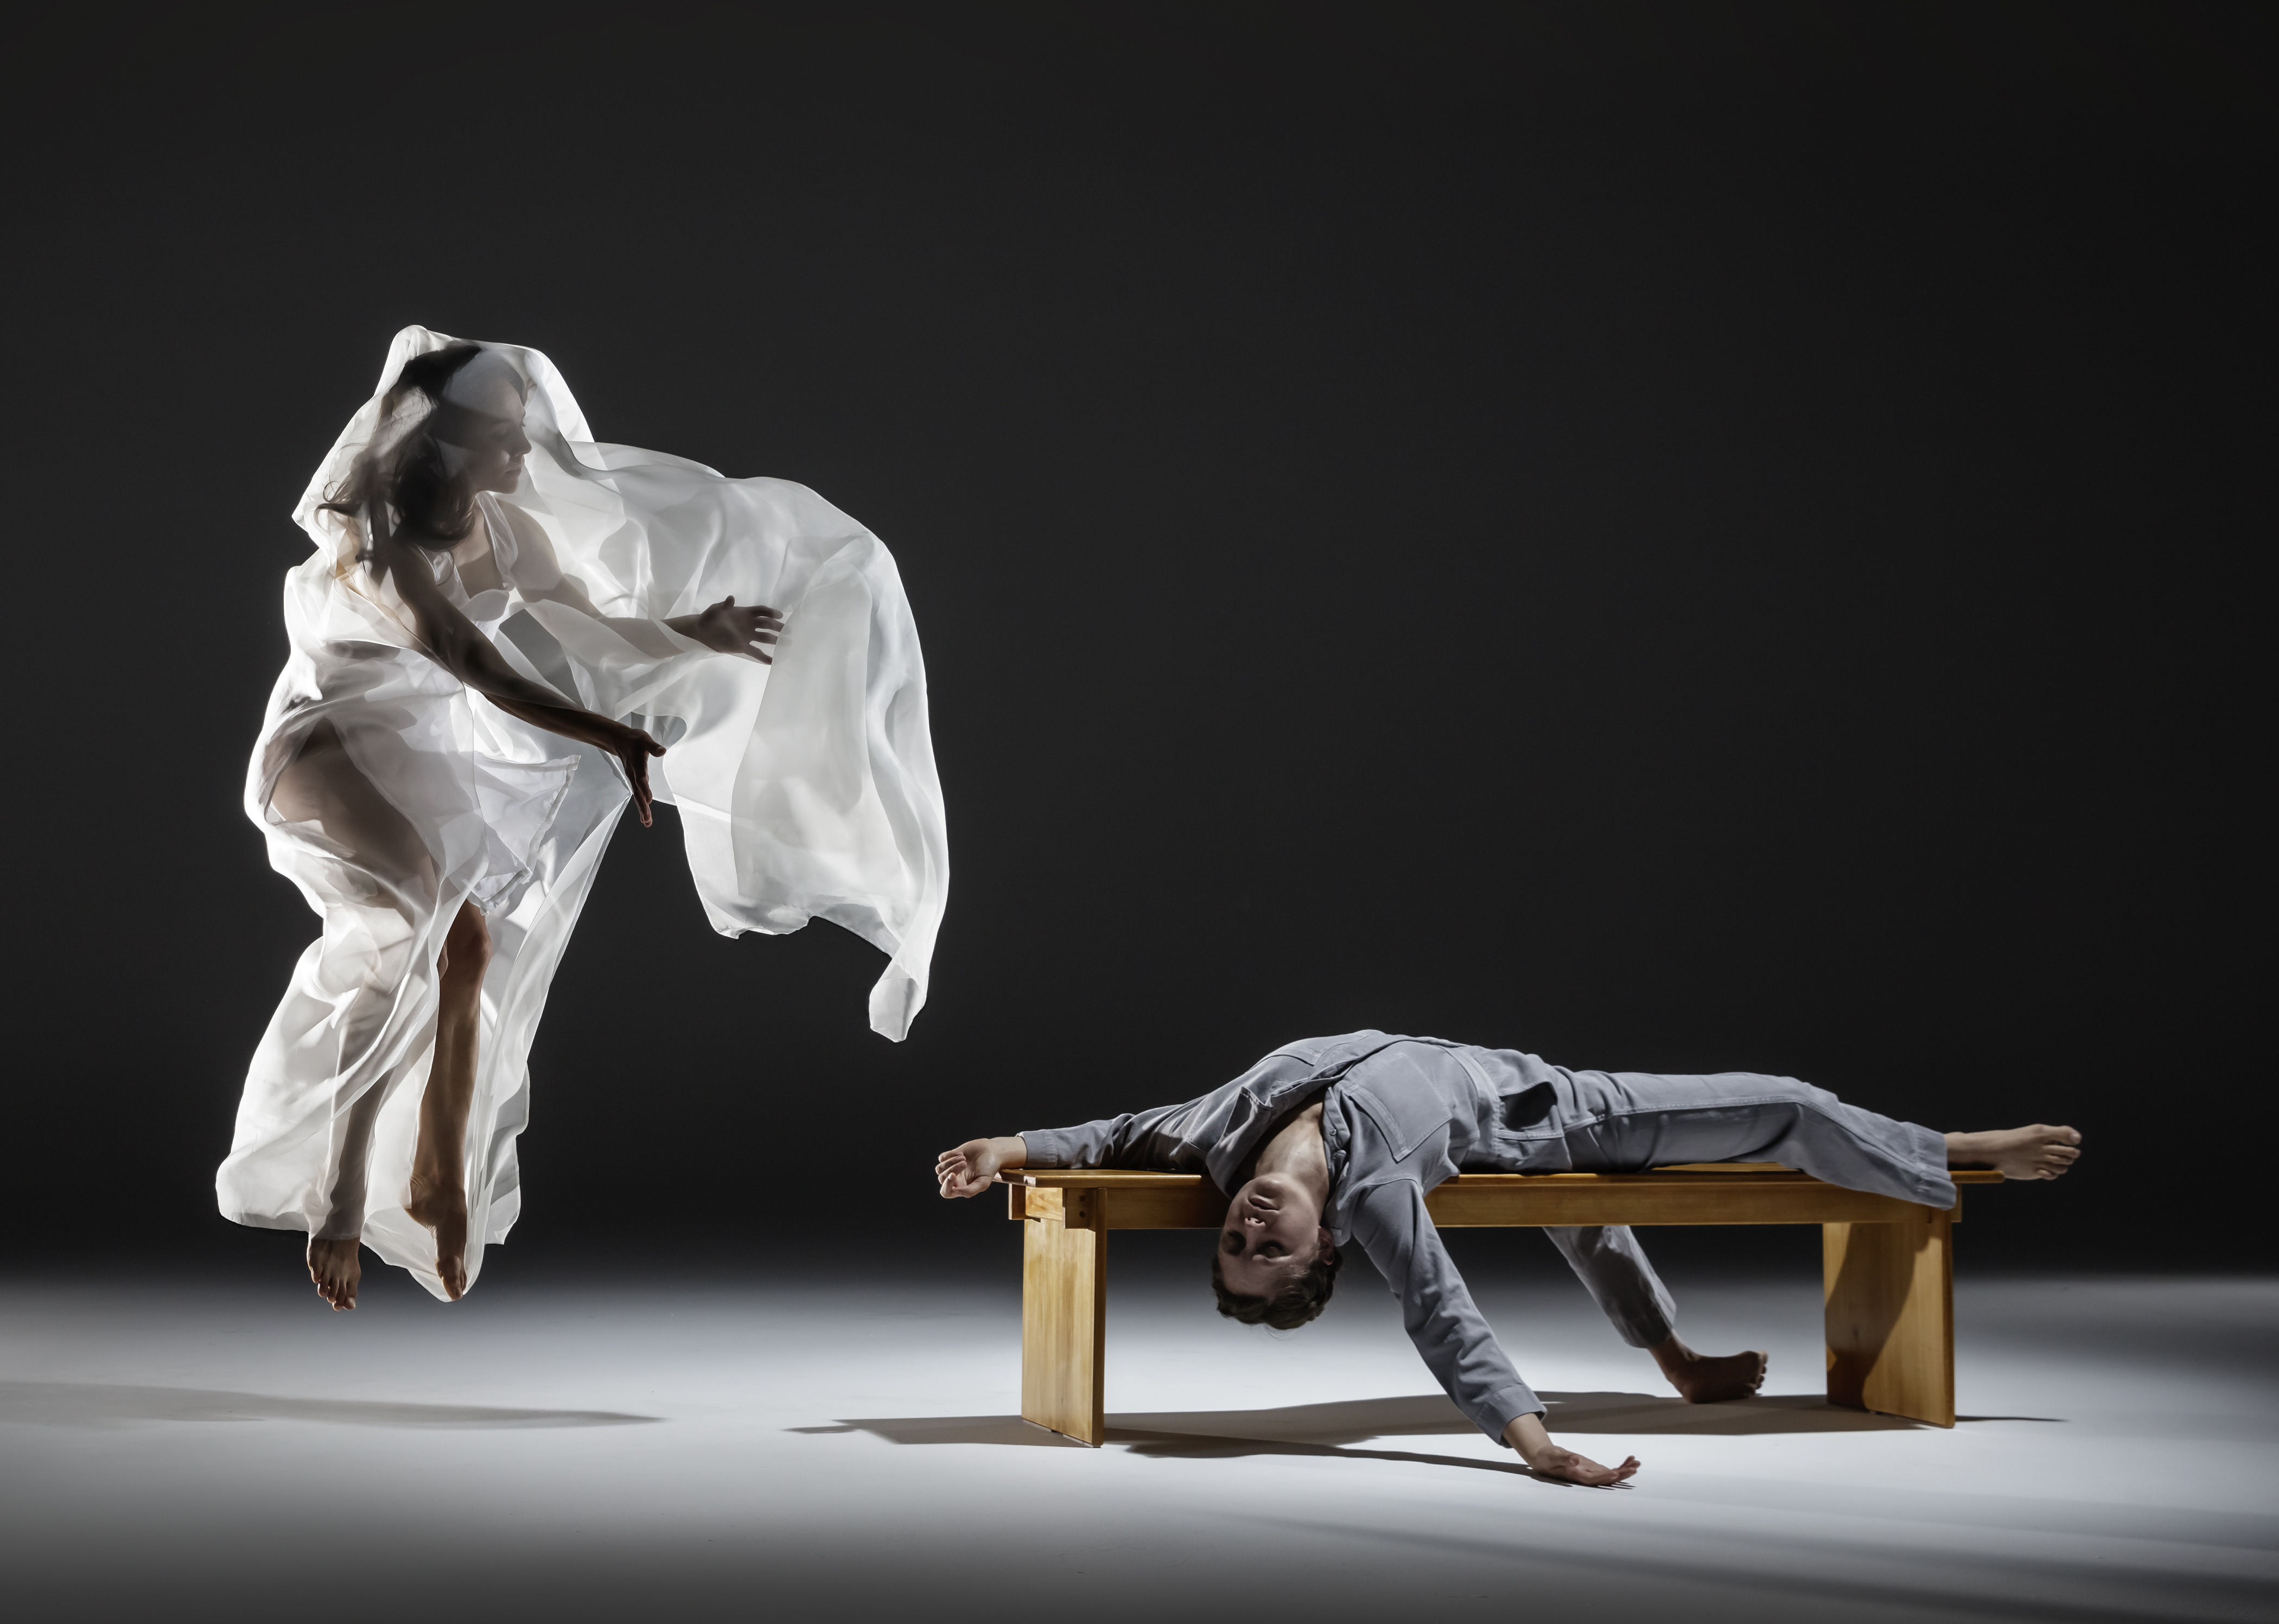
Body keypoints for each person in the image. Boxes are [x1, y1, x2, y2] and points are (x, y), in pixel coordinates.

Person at [222, 329, 948, 1311]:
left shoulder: (500, 527)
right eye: (506, 441)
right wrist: (609, 732)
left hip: (401, 762)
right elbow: (476, 665)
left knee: (470, 944)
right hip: (319, 757)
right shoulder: (379, 545)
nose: (527, 459)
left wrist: (696, 633)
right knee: (415, 936)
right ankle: (342, 1195)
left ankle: (441, 1173)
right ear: (443, 443)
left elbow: (584, 620)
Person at [936, 1030, 2079, 1486]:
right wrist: (1537, 1445)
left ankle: (1674, 1351)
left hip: (1514, 1069)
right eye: (1265, 1252)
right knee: (1777, 1104)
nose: (1247, 1229)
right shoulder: (1377, 1195)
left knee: (1583, 1210)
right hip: (1557, 1115)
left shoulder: (1216, 1137)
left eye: (1236, 1240)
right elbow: (1441, 1312)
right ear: (1326, 1246)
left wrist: (1004, 1146)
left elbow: (1115, 1128)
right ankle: (1956, 1151)